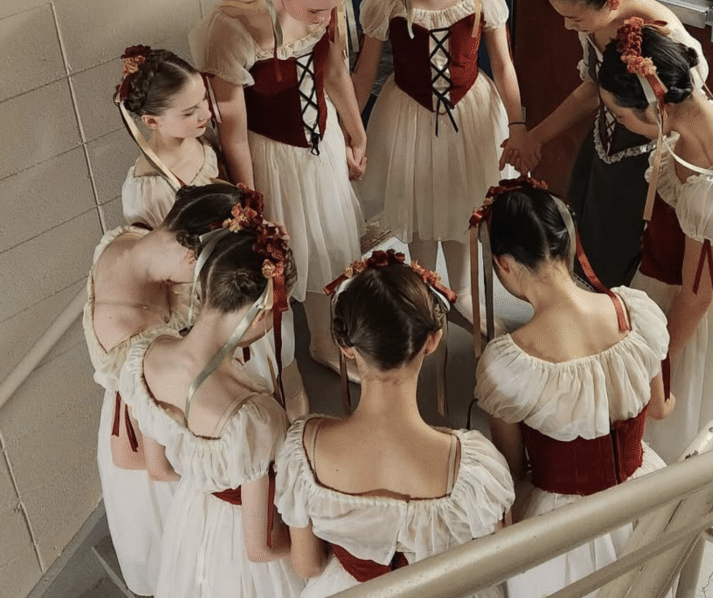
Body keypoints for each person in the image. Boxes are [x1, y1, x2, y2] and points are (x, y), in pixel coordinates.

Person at [472, 179, 671, 598]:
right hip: (643, 495)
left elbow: (513, 469)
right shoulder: (636, 314)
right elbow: (657, 408)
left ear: (505, 264)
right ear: (567, 244)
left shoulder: (508, 366)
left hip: (560, 526)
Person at [275, 252, 514, 597]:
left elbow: (308, 565)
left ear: (346, 346)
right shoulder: (473, 468)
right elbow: (493, 567)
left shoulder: (304, 452)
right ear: (431, 341)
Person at [189, 0, 366, 374]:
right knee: (284, 254)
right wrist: (251, 204)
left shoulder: (321, 4)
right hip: (269, 155)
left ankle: (325, 342)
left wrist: (354, 129)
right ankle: (282, 367)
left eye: (334, 7)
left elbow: (336, 70)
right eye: (314, 11)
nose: (325, 19)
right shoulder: (229, 28)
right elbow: (232, 131)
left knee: (328, 240)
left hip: (319, 142)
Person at [597, 18, 713, 462]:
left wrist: (658, 362)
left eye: (618, 113)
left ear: (654, 106)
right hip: (672, 269)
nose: (616, 121)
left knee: (677, 424)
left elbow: (697, 294)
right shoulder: (708, 111)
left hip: (692, 305)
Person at [119, 199, 302, 598]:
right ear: (259, 314)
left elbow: (158, 469)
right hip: (239, 545)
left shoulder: (144, 355)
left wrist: (206, 474)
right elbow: (260, 547)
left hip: (191, 516)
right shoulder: (252, 415)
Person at [352, 0, 524, 325]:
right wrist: (350, 134)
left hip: (472, 112)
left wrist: (518, 125)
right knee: (418, 202)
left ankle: (461, 291)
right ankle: (427, 285)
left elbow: (503, 65)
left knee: (464, 202)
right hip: (409, 113)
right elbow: (363, 73)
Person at [516, 0, 708, 288]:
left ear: (613, 2)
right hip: (604, 141)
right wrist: (535, 137)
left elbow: (686, 120)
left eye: (574, 19)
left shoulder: (667, 37)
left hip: (648, 161)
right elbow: (592, 89)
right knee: (581, 227)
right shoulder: (596, 17)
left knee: (617, 247)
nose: (567, 25)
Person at [83, 182, 246, 597]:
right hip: (152, 427)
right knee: (181, 556)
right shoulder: (131, 337)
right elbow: (156, 455)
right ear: (191, 255)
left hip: (167, 395)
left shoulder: (135, 238)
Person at [115, 45, 220, 228]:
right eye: (189, 113)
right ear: (152, 122)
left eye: (204, 99)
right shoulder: (148, 194)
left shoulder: (198, 136)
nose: (207, 114)